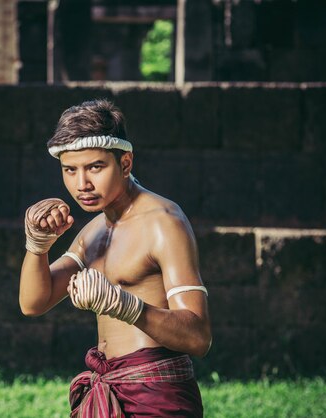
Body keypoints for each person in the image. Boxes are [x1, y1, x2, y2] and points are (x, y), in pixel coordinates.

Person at [19, 99, 211, 417]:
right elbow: (33, 303)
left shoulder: (163, 222)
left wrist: (123, 305)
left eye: (95, 167)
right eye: (70, 170)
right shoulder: (93, 231)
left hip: (157, 394)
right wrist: (38, 245)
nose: (82, 184)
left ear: (125, 163)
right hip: (107, 388)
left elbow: (199, 336)